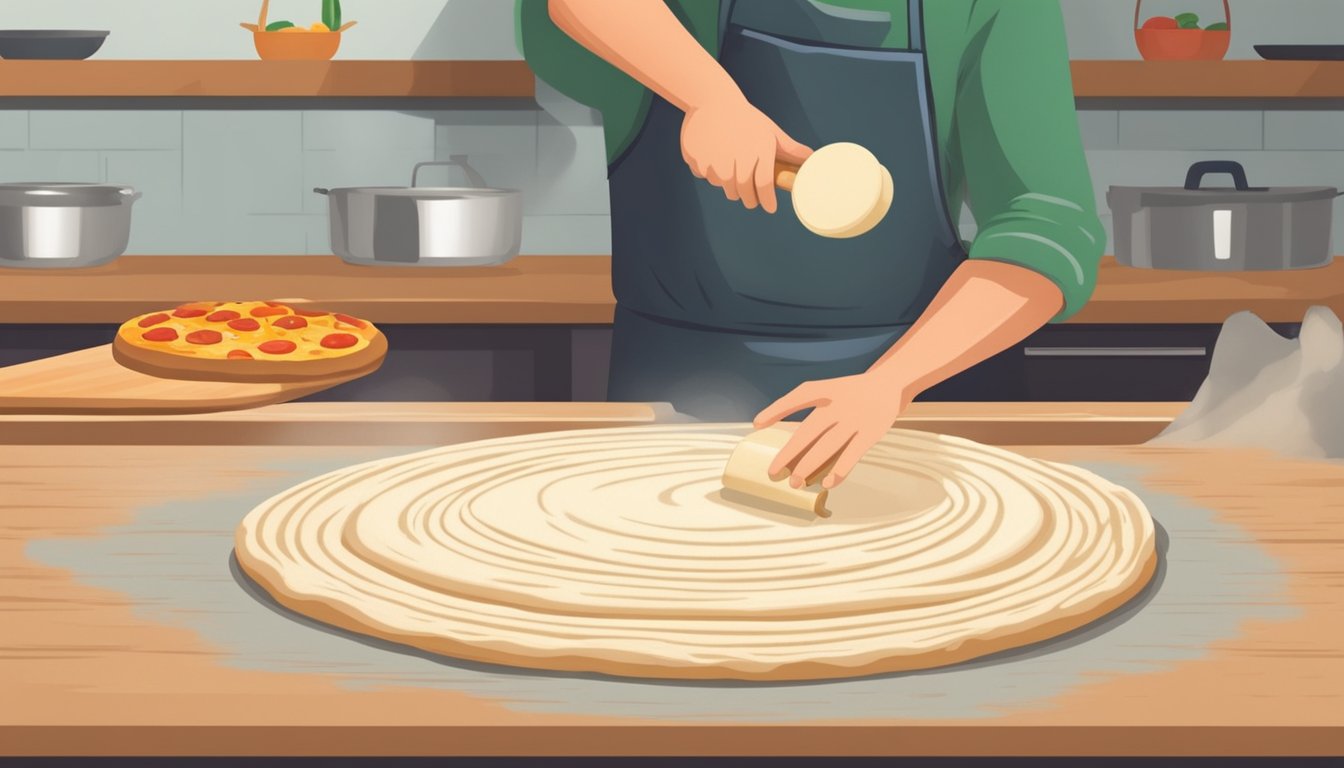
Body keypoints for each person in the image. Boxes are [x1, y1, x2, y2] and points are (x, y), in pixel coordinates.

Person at [517, 0, 1104, 489]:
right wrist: (708, 95)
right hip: (678, 408)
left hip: (915, 410)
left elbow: (1046, 228)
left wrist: (889, 384)